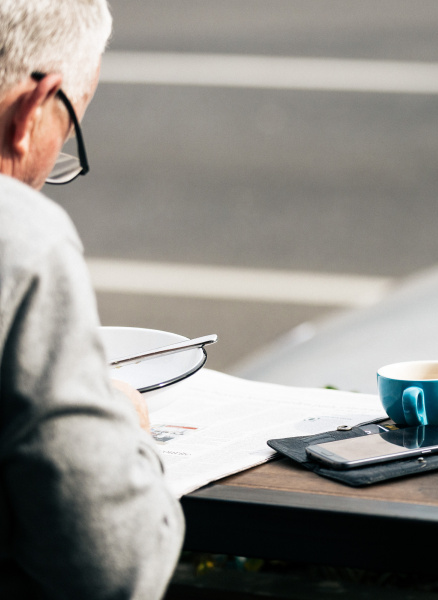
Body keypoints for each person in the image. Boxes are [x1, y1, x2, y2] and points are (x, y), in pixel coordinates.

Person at [0, 1, 184, 597]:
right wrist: (123, 428)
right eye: (69, 127)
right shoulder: (20, 238)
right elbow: (112, 570)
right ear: (33, 108)